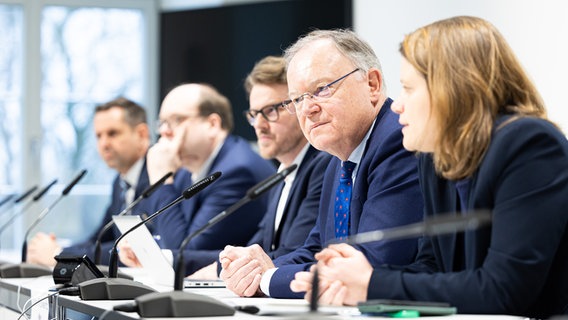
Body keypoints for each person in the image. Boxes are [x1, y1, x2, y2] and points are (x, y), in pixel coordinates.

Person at [291, 16, 568, 318]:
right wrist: (351, 284)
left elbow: (504, 289)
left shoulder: (529, 144)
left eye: (409, 89)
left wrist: (372, 283)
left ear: (454, 89)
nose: (397, 105)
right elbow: (430, 267)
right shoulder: (435, 158)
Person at [219, 29, 423, 299]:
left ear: (372, 84)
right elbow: (316, 249)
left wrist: (268, 279)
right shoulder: (337, 161)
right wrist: (255, 271)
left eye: (321, 89)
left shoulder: (397, 140)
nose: (308, 109)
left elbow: (372, 262)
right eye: (298, 99)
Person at [188, 56, 332, 280]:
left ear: (298, 104)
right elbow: (256, 248)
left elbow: (295, 252)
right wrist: (224, 263)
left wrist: (216, 270)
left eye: (271, 110)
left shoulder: (324, 165)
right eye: (254, 115)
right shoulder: (282, 173)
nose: (260, 125)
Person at [117, 83, 276, 275]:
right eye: (162, 123)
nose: (165, 132)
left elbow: (184, 250)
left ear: (212, 124)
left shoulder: (236, 171)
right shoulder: (186, 171)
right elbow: (165, 233)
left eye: (176, 120)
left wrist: (161, 179)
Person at [26, 97, 152, 267]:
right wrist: (57, 250)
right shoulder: (119, 183)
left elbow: (140, 250)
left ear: (141, 134)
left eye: (112, 133)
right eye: (98, 136)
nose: (104, 143)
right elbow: (99, 239)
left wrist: (58, 255)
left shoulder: (159, 178)